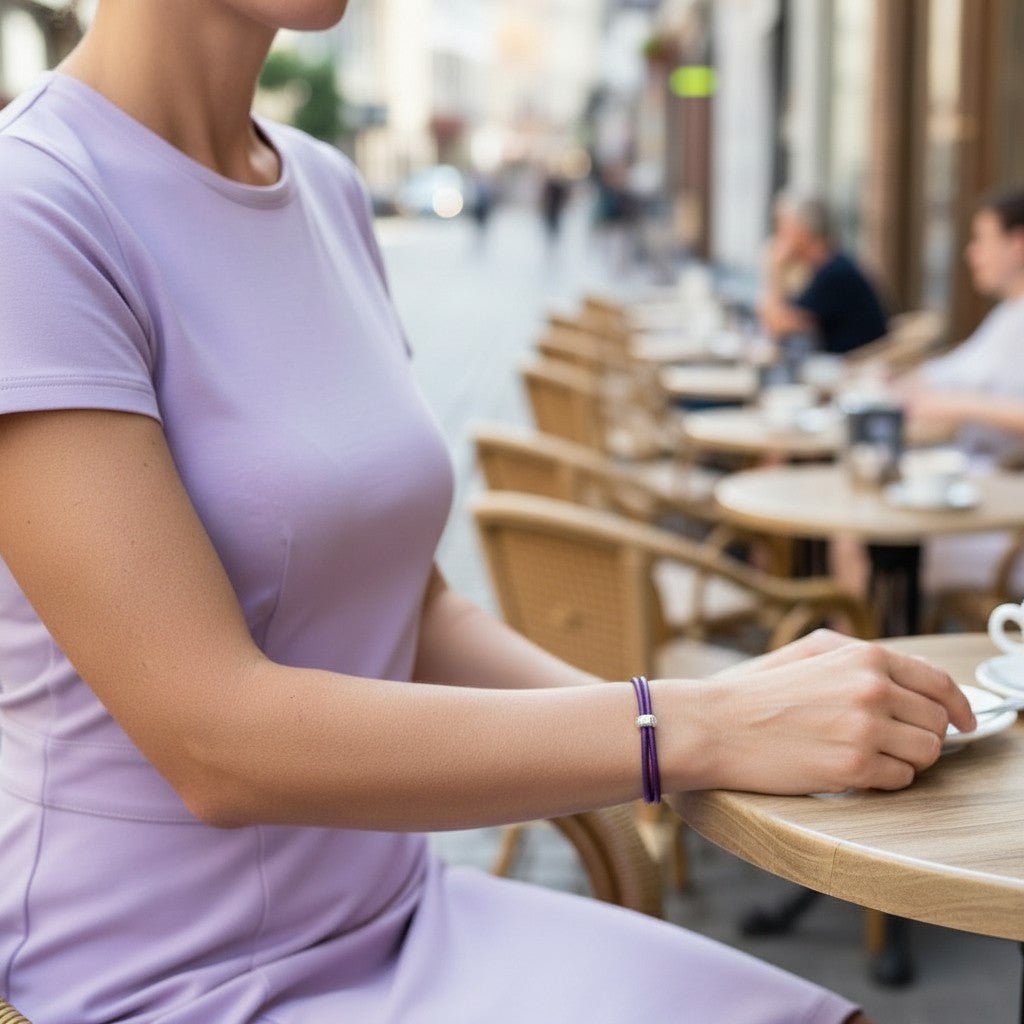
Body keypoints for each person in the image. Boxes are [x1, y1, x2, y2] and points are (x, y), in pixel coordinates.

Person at [0, 3, 973, 1022]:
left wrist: (710, 745)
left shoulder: (325, 188)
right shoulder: (35, 206)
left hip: (397, 912)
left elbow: (415, 615)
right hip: (152, 974)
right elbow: (211, 738)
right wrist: (681, 728)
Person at [897, 187, 1024, 598]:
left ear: (1018, 243)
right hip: (981, 491)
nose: (972, 254)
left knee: (870, 536)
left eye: (981, 240)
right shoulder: (1008, 315)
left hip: (1003, 516)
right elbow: (954, 371)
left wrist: (954, 404)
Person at [760, 192, 889, 356]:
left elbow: (777, 325)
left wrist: (774, 270)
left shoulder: (834, 273)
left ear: (802, 230)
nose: (778, 235)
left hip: (856, 367)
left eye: (783, 227)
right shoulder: (830, 264)